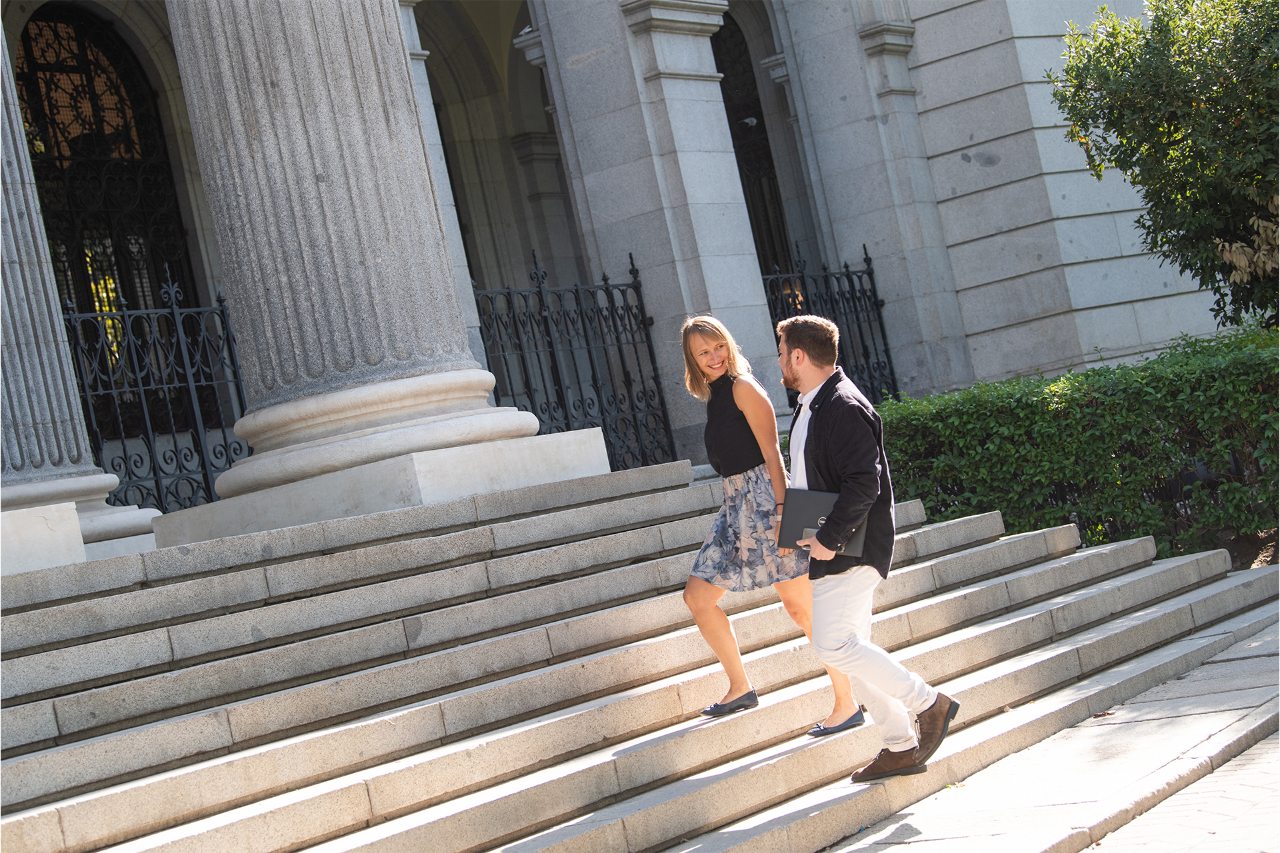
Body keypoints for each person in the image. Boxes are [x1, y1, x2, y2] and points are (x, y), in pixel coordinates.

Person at [776, 314, 959, 782]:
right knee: (849, 649)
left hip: (853, 545)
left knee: (833, 644)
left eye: (782, 353)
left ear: (799, 355)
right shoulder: (813, 404)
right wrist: (797, 532)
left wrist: (827, 538)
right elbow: (816, 478)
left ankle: (929, 703)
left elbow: (864, 484)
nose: (779, 361)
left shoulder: (843, 405)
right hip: (834, 542)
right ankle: (900, 744)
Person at [680, 316, 861, 736]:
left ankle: (846, 702)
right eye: (703, 352)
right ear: (692, 359)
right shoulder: (715, 395)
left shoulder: (744, 388)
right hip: (734, 506)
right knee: (697, 597)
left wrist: (784, 512)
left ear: (729, 344)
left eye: (718, 347)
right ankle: (740, 686)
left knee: (803, 608)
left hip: (766, 502)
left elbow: (773, 455)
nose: (714, 357)